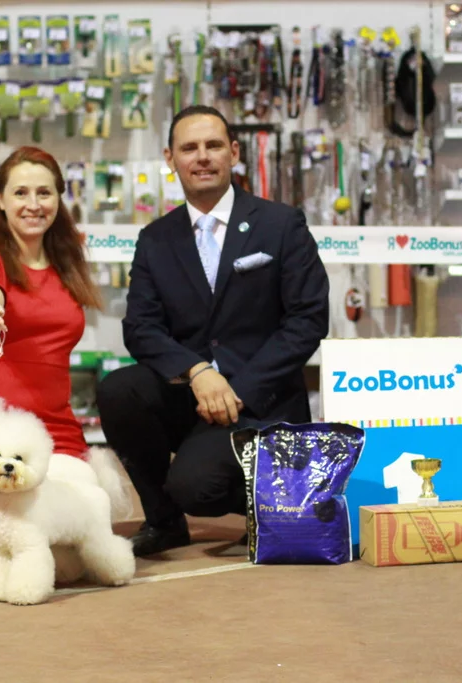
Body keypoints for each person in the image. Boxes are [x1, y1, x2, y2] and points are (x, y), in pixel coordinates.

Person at [95, 105, 330, 557]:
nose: (202, 157)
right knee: (118, 390)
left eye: (213, 145)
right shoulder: (155, 238)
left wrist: (238, 390)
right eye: (189, 148)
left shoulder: (281, 224)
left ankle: (274, 502)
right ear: (170, 159)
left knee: (195, 487)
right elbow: (140, 328)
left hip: (260, 401)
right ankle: (164, 522)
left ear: (234, 153)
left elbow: (308, 319)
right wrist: (198, 372)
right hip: (193, 392)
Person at [0, 146, 103, 494]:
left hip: (55, 422)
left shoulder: (68, 265)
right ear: (0, 200)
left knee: (85, 508)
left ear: (58, 199)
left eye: (44, 193)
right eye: (20, 193)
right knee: (8, 525)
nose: (33, 204)